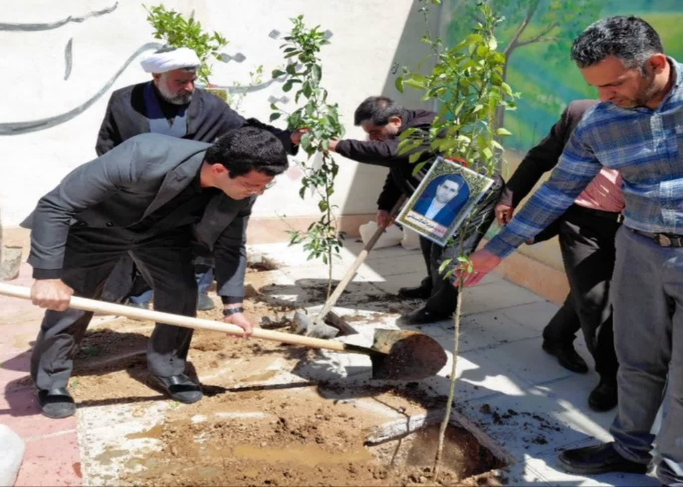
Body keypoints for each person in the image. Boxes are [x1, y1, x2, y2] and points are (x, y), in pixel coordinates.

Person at [460, 16, 683, 486]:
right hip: (639, 248)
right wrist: (497, 250)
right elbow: (558, 190)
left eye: (614, 84)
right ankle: (629, 450)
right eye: (597, 87)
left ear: (654, 63)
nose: (605, 96)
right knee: (634, 362)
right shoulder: (600, 122)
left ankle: (678, 476)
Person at [26, 123, 289, 419]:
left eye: (265, 186)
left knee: (182, 295)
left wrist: (233, 306)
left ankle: (169, 369)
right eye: (252, 185)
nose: (259, 192)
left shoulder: (242, 190)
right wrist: (47, 276)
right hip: (99, 228)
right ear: (219, 169)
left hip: (164, 234)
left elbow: (231, 245)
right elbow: (55, 206)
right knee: (71, 303)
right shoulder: (144, 153)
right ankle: (51, 382)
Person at [96, 46, 299, 311]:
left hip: (191, 192)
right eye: (181, 81)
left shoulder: (209, 104)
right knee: (139, 242)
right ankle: (139, 294)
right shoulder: (124, 101)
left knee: (200, 238)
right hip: (144, 192)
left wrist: (288, 138)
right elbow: (107, 144)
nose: (190, 87)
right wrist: (124, 183)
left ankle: (196, 289)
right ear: (157, 76)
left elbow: (245, 129)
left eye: (193, 80)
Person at [495, 99, 622, 412]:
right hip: (582, 219)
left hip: (633, 224)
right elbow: (540, 158)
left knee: (590, 289)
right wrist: (509, 197)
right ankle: (612, 377)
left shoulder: (661, 118)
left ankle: (556, 336)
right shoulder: (580, 113)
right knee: (595, 299)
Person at [329, 96, 502, 325]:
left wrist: (338, 145)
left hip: (474, 193)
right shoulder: (402, 134)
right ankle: (432, 287)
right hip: (442, 191)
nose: (373, 139)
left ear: (396, 121)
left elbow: (389, 153)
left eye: (375, 133)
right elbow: (396, 167)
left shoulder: (427, 128)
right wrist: (385, 206)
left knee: (448, 253)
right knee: (429, 240)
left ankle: (439, 309)